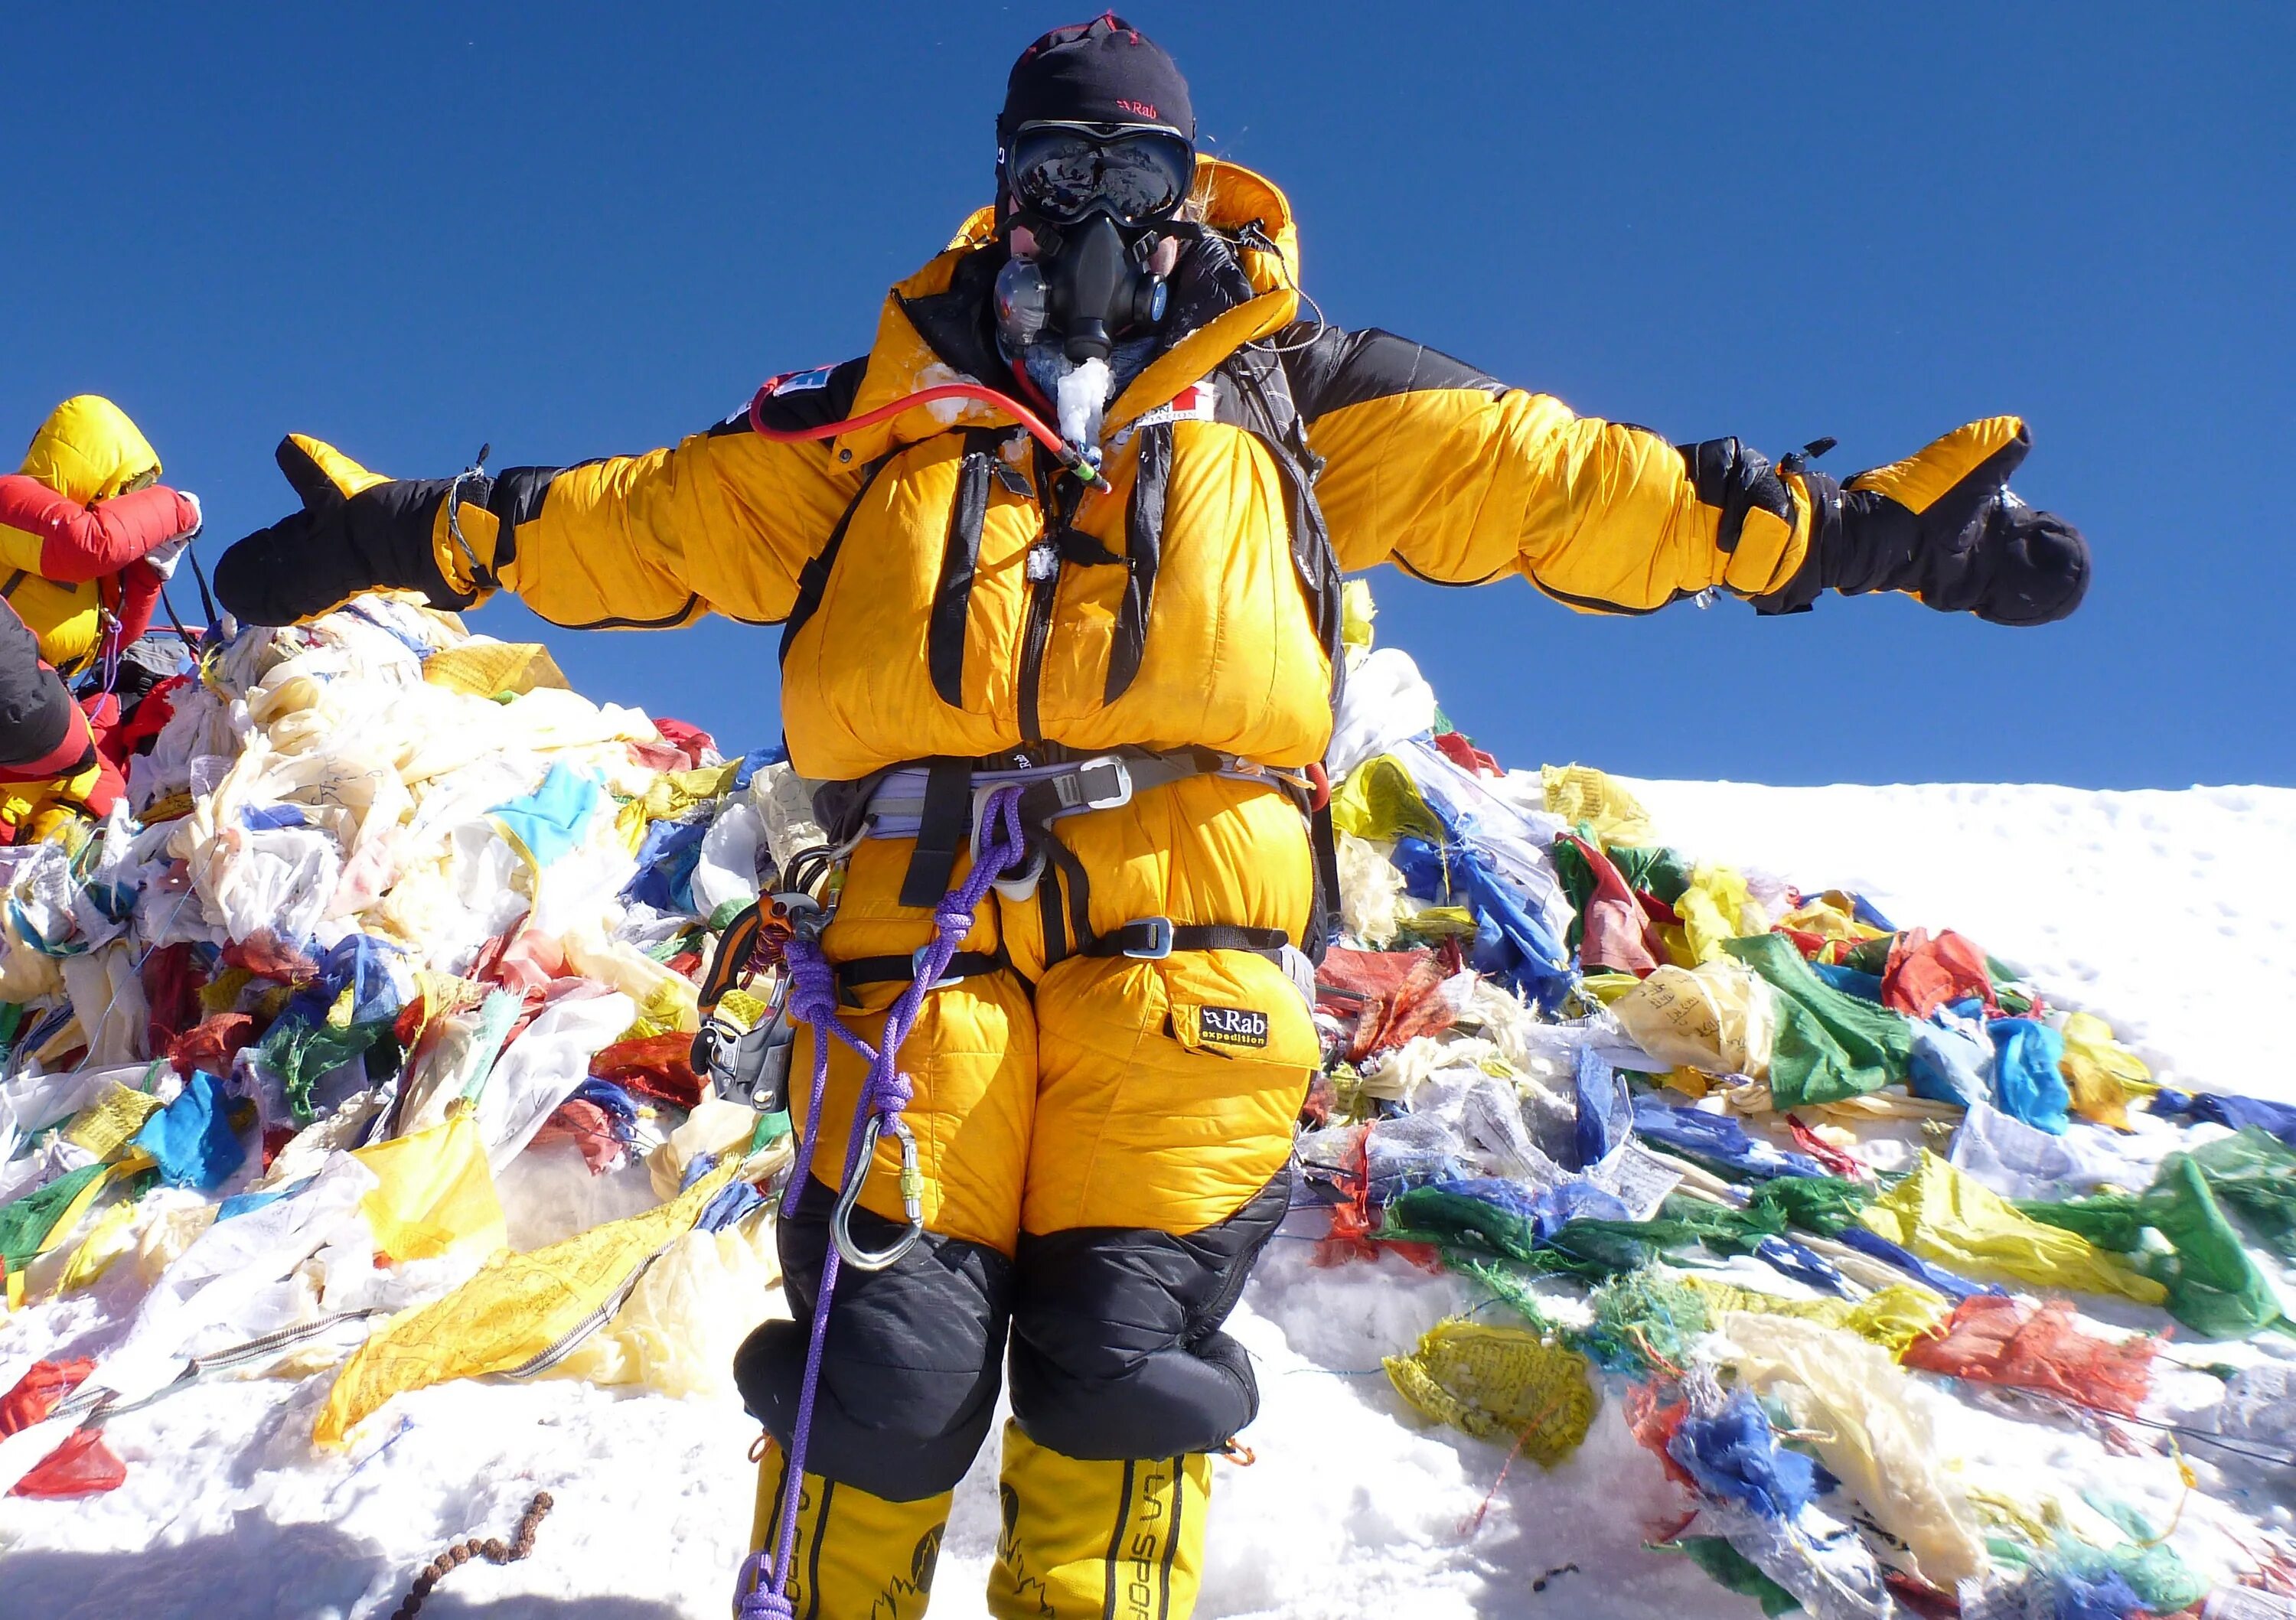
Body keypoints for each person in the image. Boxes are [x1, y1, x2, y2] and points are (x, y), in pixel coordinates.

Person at [216, 15, 2090, 1616]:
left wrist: (1863, 535)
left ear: (1193, 178)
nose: (1088, 200)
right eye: (1051, 157)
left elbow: (1578, 485)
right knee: (878, 1372)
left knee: (1122, 1378)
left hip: (1186, 977)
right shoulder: (873, 418)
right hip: (910, 970)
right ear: (1001, 178)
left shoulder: (1302, 395)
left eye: (1132, 160)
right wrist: (410, 532)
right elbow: (625, 521)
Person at [0, 396, 201, 841]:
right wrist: (176, 508)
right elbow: (85, 543)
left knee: (106, 792)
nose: (133, 501)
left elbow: (115, 645)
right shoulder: (11, 497)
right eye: (134, 487)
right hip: (13, 688)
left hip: (28, 707)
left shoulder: (93, 581)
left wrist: (148, 572)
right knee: (77, 758)